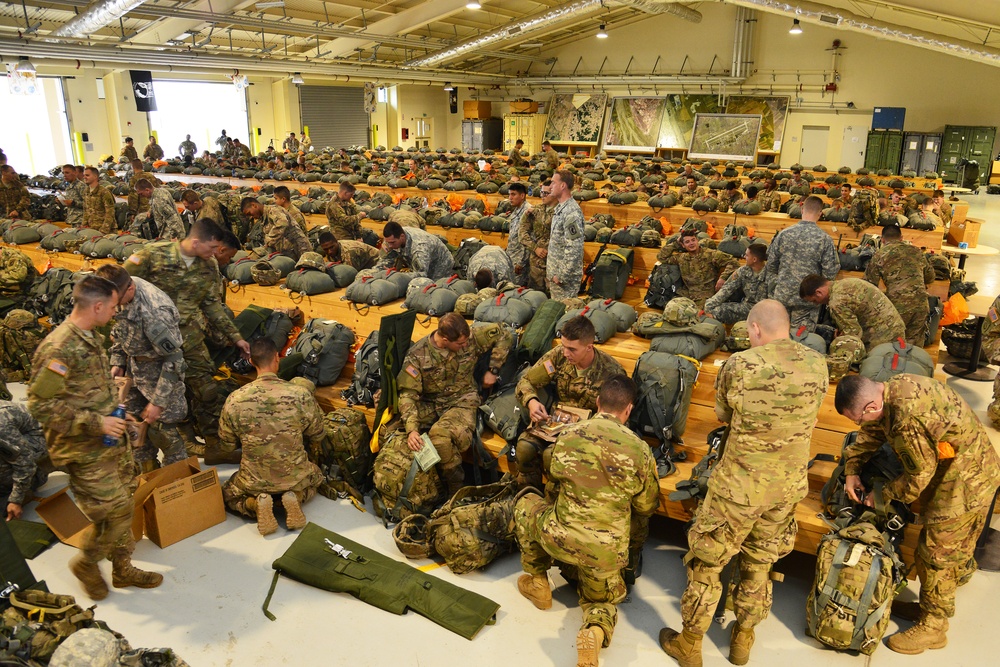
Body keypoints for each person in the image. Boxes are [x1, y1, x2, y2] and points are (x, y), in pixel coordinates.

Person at [660, 300, 828, 667]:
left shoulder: (741, 364)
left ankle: (689, 645)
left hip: (739, 488)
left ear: (754, 329)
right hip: (786, 488)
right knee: (759, 564)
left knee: (707, 564)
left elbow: (723, 414)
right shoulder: (817, 363)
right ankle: (742, 640)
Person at [834, 374, 1000, 654]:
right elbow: (873, 432)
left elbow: (918, 476)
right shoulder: (893, 391)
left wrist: (882, 494)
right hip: (959, 467)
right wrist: (852, 470)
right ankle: (931, 601)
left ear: (872, 406)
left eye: (858, 419)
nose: (859, 425)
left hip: (966, 480)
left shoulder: (908, 417)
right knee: (943, 551)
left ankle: (934, 626)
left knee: (936, 553)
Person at [27, 275, 163, 600]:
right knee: (115, 511)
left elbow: (88, 391)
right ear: (98, 306)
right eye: (114, 307)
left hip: (110, 441)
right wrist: (96, 423)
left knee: (126, 498)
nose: (116, 312)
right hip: (82, 448)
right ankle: (87, 563)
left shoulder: (89, 336)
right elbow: (39, 404)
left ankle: (122, 569)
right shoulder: (60, 347)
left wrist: (117, 414)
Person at [515, 375, 659, 667]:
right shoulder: (640, 450)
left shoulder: (569, 434)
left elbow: (553, 476)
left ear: (597, 403)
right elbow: (646, 505)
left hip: (559, 537)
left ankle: (539, 582)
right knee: (600, 601)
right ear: (628, 410)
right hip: (603, 553)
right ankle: (594, 630)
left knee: (525, 504)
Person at [125, 219, 250, 465]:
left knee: (206, 390)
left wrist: (236, 337)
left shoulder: (208, 265)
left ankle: (215, 447)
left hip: (190, 339)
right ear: (195, 242)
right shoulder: (153, 255)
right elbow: (120, 288)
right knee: (157, 397)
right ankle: (162, 450)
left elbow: (211, 304)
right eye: (212, 247)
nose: (216, 253)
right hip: (153, 343)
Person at [397, 313, 513, 494]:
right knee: (393, 428)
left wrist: (493, 368)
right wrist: (412, 429)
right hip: (431, 402)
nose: (465, 345)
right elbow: (408, 394)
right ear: (444, 339)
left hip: (463, 399)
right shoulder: (418, 355)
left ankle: (456, 489)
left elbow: (505, 333)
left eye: (466, 341)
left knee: (440, 438)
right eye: (460, 344)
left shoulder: (471, 338)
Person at [219, 339, 325, 536]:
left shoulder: (235, 399)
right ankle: (296, 496)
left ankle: (255, 504)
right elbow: (318, 433)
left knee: (228, 495)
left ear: (251, 362)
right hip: (295, 475)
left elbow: (227, 445)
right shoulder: (300, 394)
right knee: (317, 477)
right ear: (278, 358)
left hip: (254, 480)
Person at [514, 316, 625, 489]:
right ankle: (529, 500)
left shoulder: (610, 372)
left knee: (553, 457)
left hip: (588, 433)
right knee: (524, 448)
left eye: (572, 349)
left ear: (589, 347)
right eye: (564, 346)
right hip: (555, 424)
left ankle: (557, 505)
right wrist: (532, 401)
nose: (566, 353)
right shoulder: (559, 356)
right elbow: (526, 381)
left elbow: (617, 416)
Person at [96, 265, 187, 471]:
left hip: (161, 372)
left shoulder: (156, 312)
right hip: (134, 369)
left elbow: (174, 359)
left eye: (115, 302)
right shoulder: (117, 288)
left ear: (129, 290)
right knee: (133, 427)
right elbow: (120, 329)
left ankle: (177, 483)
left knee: (164, 433)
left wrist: (158, 401)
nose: (112, 306)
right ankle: (146, 473)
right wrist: (117, 361)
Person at [765, 195, 839, 330]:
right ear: (820, 214)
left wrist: (779, 285)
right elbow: (830, 273)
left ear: (801, 209)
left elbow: (771, 265)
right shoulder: (824, 239)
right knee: (802, 341)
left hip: (783, 295)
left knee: (778, 335)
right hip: (808, 298)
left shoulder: (783, 234)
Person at [864, 224, 935, 346]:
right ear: (901, 238)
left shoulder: (879, 255)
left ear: (882, 240)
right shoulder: (917, 251)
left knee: (893, 346)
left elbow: (870, 284)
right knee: (913, 347)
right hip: (920, 303)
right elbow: (930, 277)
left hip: (897, 306)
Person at [800, 275, 906, 351]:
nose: (816, 304)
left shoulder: (836, 301)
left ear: (819, 292)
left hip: (882, 338)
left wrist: (839, 340)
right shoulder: (845, 283)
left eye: (814, 300)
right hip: (895, 328)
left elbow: (853, 336)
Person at [659, 229, 739, 309]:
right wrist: (676, 244)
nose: (691, 243)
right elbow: (662, 257)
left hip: (704, 295)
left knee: (694, 314)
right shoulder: (682, 258)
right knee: (671, 309)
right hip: (686, 293)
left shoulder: (710, 254)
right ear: (683, 245)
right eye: (687, 242)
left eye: (693, 240)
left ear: (697, 241)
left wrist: (723, 278)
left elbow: (734, 262)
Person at [0, 400, 50, 521]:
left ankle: (29, 485)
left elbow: (25, 463)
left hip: (37, 444)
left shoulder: (1, 424)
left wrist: (15, 500)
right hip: (15, 442)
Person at [704, 243, 770, 324]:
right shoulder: (743, 271)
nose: (744, 257)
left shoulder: (771, 274)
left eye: (747, 255)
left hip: (765, 311)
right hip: (747, 307)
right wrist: (710, 304)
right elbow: (727, 289)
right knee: (717, 311)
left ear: (754, 259)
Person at [546, 170, 586, 300]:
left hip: (564, 280)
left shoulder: (571, 212)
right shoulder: (560, 208)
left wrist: (562, 275)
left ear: (563, 186)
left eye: (553, 182)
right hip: (556, 274)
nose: (550, 186)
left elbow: (574, 247)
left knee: (564, 315)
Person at [376, 221, 455, 280]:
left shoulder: (420, 247)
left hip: (440, 265)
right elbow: (384, 260)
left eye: (393, 243)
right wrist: (376, 273)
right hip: (421, 264)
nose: (390, 246)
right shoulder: (391, 239)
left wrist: (399, 276)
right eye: (388, 242)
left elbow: (421, 274)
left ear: (402, 236)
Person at [240, 198, 311, 260]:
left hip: (300, 252)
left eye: (249, 213)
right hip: (288, 253)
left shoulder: (273, 210)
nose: (250, 217)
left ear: (254, 205)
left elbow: (283, 223)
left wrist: (269, 240)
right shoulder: (263, 218)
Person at [519, 180, 554, 292]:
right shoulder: (535, 210)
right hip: (536, 263)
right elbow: (522, 233)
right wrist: (535, 248)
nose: (542, 196)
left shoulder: (562, 212)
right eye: (541, 192)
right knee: (536, 296)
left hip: (554, 262)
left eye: (546, 193)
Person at [504, 182, 531, 286]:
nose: (510, 198)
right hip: (512, 256)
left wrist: (521, 263)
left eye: (513, 194)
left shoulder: (528, 212)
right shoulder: (516, 210)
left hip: (520, 262)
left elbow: (528, 239)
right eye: (509, 194)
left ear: (522, 196)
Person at [81, 166, 116, 232]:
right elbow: (86, 210)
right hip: (91, 228)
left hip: (105, 229)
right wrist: (83, 226)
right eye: (84, 175)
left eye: (87, 175)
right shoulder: (86, 191)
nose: (84, 177)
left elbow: (110, 213)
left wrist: (104, 230)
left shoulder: (104, 192)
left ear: (95, 176)